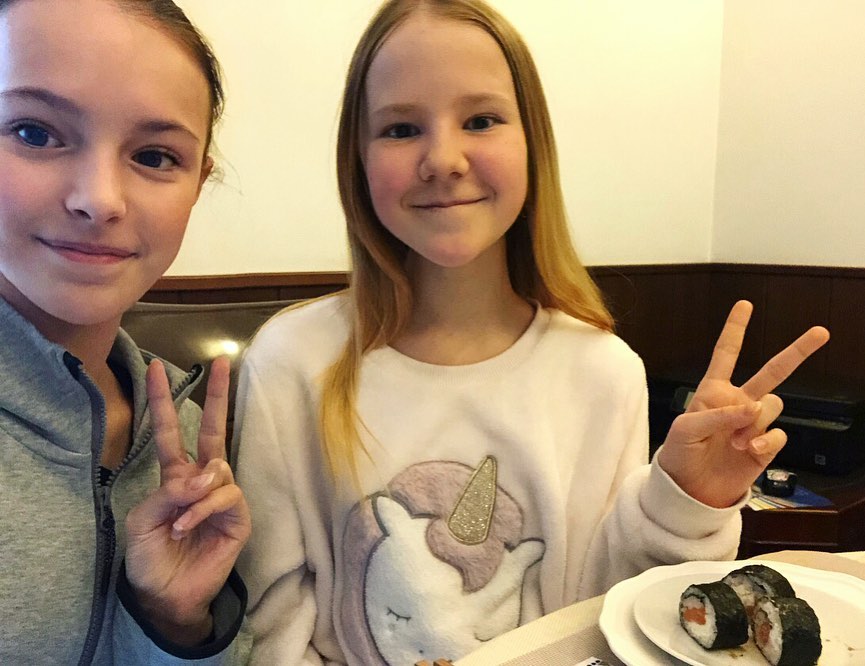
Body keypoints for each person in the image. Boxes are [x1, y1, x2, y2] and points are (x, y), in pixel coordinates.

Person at [231, 0, 829, 663]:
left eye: (480, 120)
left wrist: (687, 498)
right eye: (400, 128)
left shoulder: (602, 372)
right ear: (357, 158)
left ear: (532, 144)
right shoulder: (291, 362)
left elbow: (613, 616)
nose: (444, 158)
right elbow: (270, 622)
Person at [0, 0, 251, 663]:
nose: (100, 199)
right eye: (33, 133)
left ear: (198, 183)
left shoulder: (186, 443)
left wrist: (174, 620)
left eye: (155, 155)